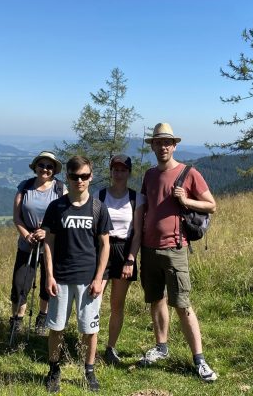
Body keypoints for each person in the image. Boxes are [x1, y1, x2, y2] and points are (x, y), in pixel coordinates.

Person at [137, 123, 218, 383]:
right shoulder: (149, 175)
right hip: (149, 248)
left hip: (175, 247)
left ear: (174, 146)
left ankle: (200, 360)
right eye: (158, 143)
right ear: (152, 146)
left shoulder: (188, 173)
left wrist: (186, 201)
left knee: (182, 304)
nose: (162, 147)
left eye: (167, 143)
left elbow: (211, 205)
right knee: (156, 300)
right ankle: (161, 347)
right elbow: (144, 209)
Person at [42, 156, 112, 393]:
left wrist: (99, 278)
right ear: (68, 178)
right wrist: (49, 276)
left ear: (90, 177)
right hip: (60, 278)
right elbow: (48, 244)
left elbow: (105, 246)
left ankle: (89, 371)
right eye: (74, 176)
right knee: (56, 327)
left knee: (89, 330)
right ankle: (54, 369)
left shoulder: (98, 207)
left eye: (84, 176)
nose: (80, 180)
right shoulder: (56, 207)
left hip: (88, 280)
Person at [9, 151, 66, 339]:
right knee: (20, 283)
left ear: (54, 170)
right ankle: (17, 321)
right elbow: (17, 216)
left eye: (49, 166)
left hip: (52, 244)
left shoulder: (60, 189)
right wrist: (26, 234)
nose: (45, 169)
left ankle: (42, 319)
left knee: (46, 284)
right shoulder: (25, 187)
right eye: (42, 165)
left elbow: (65, 216)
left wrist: (47, 231)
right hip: (28, 243)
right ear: (35, 167)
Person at [97, 154, 144, 365]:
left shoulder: (136, 198)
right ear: (111, 171)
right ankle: (89, 344)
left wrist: (131, 260)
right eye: (115, 169)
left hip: (124, 251)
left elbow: (138, 233)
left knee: (117, 305)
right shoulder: (99, 195)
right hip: (101, 249)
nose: (119, 173)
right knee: (94, 300)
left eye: (123, 170)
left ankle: (110, 348)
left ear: (129, 172)